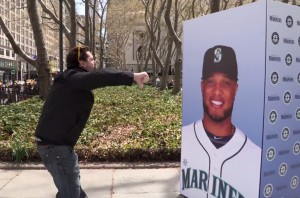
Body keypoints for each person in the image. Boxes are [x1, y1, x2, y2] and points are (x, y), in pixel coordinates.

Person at [35, 45, 149, 198]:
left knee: (73, 193)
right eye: (91, 59)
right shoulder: (72, 78)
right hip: (55, 149)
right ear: (82, 63)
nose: (94, 62)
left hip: (58, 147)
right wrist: (132, 76)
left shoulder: (70, 80)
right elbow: (100, 77)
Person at [180, 45, 261, 198]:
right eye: (211, 82)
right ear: (202, 87)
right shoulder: (187, 136)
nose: (217, 92)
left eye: (225, 83)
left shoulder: (256, 156)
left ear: (235, 89)